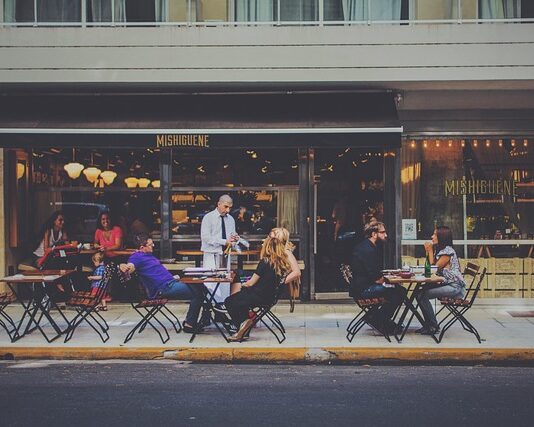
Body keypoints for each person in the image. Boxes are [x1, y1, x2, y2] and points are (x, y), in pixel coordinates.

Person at [119, 233, 205, 333]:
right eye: (150, 245)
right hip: (164, 288)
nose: (153, 246)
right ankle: (190, 324)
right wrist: (123, 266)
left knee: (201, 287)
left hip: (171, 282)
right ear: (142, 247)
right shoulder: (136, 257)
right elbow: (130, 267)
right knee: (198, 292)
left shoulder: (149, 255)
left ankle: (195, 320)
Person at [224, 230, 301, 341]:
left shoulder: (265, 262)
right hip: (270, 297)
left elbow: (251, 283)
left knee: (230, 301)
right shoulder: (281, 262)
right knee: (241, 299)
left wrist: (244, 285)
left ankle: (243, 323)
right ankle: (244, 329)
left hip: (259, 297)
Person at [349, 220, 407, 334]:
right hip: (364, 290)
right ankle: (379, 320)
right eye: (382, 232)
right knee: (398, 292)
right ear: (374, 234)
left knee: (398, 291)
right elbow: (376, 278)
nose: (386, 235)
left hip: (361, 287)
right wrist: (392, 280)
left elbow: (375, 274)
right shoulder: (368, 250)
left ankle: (377, 318)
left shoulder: (367, 247)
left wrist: (390, 278)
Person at [416, 226, 467, 335]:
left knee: (422, 295)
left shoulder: (447, 252)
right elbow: (431, 268)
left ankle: (432, 325)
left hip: (455, 287)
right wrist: (430, 252)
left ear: (441, 237)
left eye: (435, 234)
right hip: (448, 284)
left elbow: (433, 269)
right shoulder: (441, 250)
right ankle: (428, 324)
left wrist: (429, 251)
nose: (432, 237)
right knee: (419, 293)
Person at [200, 194, 239, 302]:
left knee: (224, 284)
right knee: (210, 284)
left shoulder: (230, 219)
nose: (228, 210)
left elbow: (232, 236)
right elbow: (206, 238)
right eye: (226, 207)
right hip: (211, 254)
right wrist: (224, 241)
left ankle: (221, 309)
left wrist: (235, 240)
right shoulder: (208, 218)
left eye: (230, 208)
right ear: (219, 204)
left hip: (225, 255)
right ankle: (207, 311)